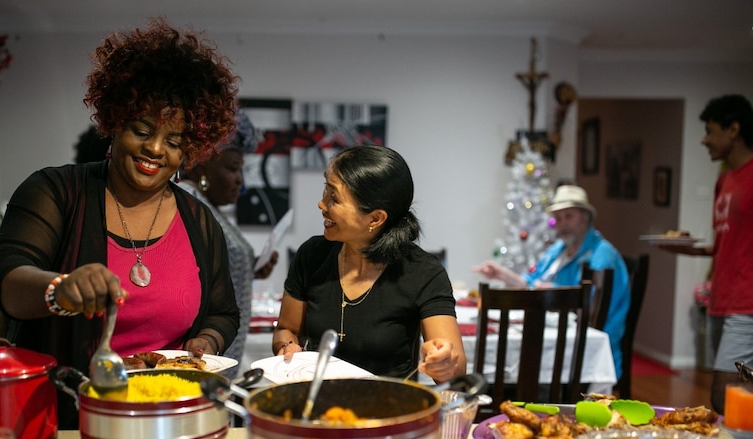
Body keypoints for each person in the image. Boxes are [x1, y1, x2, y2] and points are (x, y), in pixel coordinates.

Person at [0, 19, 240, 428]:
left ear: (188, 150)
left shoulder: (198, 220)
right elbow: (4, 277)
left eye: (174, 142)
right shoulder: (57, 191)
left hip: (168, 414)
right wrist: (59, 289)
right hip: (68, 418)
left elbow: (223, 312)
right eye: (142, 130)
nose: (155, 149)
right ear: (115, 122)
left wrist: (204, 345)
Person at [273, 145, 466, 383]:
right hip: (317, 404)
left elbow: (455, 367)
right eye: (326, 190)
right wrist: (288, 346)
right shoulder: (311, 256)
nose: (321, 204)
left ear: (375, 218)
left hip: (387, 410)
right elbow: (286, 330)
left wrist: (443, 361)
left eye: (334, 198)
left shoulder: (422, 272)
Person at [472, 185, 630, 379]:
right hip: (554, 334)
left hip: (583, 348)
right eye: (559, 217)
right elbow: (532, 282)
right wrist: (503, 274)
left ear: (586, 217)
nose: (562, 224)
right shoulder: (558, 249)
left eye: (569, 216)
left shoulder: (601, 256)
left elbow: (590, 305)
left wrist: (552, 291)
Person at [658, 94, 753, 414]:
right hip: (720, 299)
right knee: (735, 396)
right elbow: (729, 243)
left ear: (734, 130)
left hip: (747, 302)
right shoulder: (725, 179)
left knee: (725, 395)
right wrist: (690, 249)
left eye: (710, 131)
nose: (705, 140)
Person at [178, 108, 279, 377]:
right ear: (202, 163)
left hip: (221, 348)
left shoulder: (207, 205)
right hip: (206, 348)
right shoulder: (190, 203)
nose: (240, 182)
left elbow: (215, 268)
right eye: (233, 169)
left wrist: (252, 270)